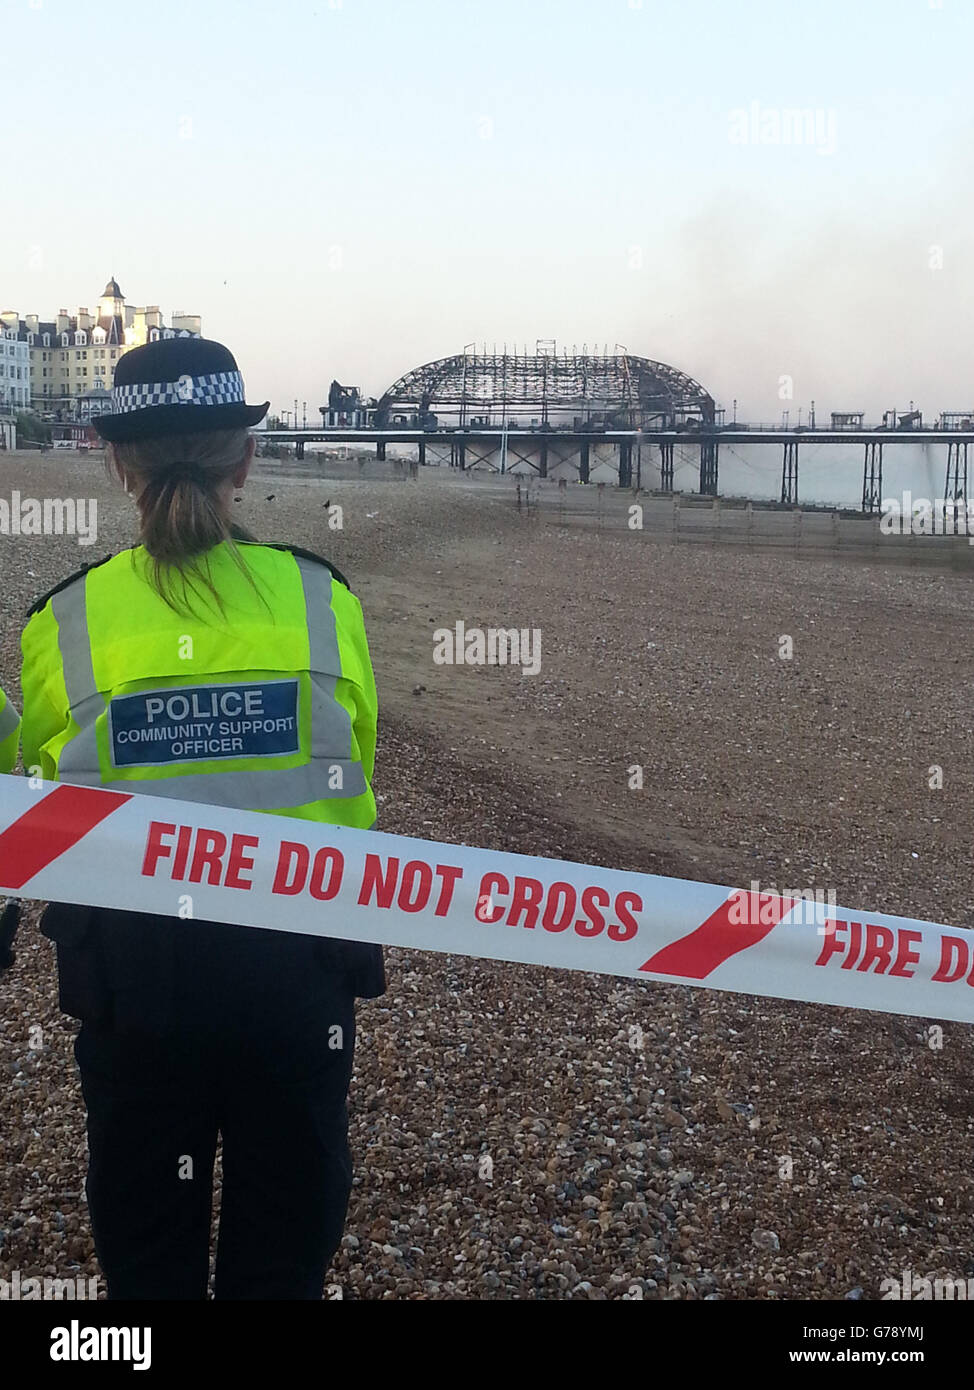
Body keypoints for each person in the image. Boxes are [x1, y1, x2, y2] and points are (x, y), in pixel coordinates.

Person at [19, 336, 383, 1300]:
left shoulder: (63, 625)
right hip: (299, 982)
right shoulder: (321, 599)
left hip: (136, 992)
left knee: (148, 1262)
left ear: (117, 461)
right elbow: (358, 770)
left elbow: (34, 798)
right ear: (246, 461)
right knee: (282, 1251)